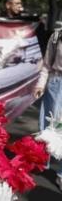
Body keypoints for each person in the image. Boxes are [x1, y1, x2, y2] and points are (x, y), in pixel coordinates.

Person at [33, 28, 62, 191]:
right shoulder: (57, 36)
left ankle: (61, 174)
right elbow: (46, 65)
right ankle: (41, 162)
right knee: (48, 128)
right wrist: (40, 84)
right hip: (56, 85)